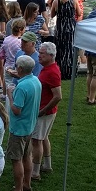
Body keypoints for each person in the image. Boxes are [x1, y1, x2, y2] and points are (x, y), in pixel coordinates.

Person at [2, 56, 41, 191]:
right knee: (27, 156)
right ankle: (27, 184)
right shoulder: (36, 81)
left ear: (20, 69)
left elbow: (16, 110)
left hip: (19, 129)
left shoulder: (22, 87)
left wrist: (10, 95)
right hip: (30, 126)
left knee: (16, 159)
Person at [31, 43, 62, 182]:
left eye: (42, 53)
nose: (39, 55)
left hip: (44, 112)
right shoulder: (47, 68)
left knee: (36, 140)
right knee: (44, 137)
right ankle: (47, 165)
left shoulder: (52, 72)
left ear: (51, 55)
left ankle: (35, 172)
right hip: (47, 111)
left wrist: (43, 111)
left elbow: (58, 96)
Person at [51, 0, 80, 80]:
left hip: (60, 28)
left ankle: (59, 72)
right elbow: (79, 13)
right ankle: (69, 72)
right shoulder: (73, 0)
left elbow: (52, 15)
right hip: (70, 28)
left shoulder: (56, 2)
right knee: (69, 50)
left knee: (60, 50)